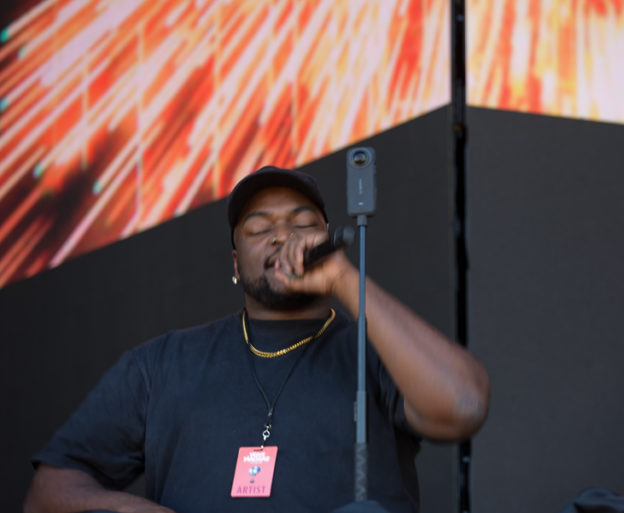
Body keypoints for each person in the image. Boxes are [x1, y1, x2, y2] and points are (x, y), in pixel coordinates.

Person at [24, 166, 490, 513]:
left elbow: (464, 406)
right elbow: (47, 491)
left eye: (302, 224)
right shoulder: (162, 364)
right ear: (234, 264)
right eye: (259, 229)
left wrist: (344, 279)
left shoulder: (377, 350)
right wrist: (126, 507)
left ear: (327, 240)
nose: (282, 236)